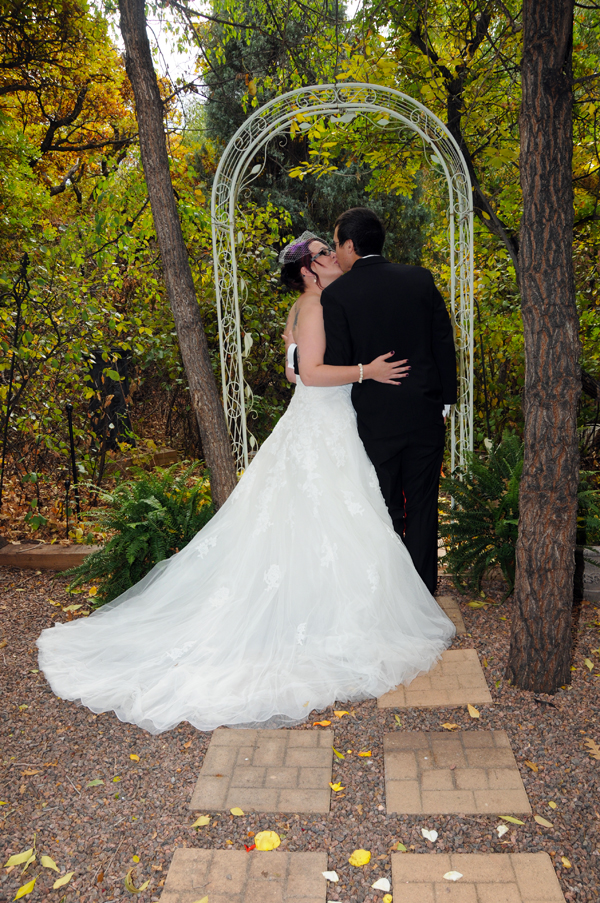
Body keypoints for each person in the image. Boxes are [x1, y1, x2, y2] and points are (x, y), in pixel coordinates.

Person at [36, 232, 455, 735]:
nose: (331, 257)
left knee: (319, 521)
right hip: (325, 424)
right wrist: (368, 370)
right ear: (308, 270)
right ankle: (336, 616)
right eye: (322, 254)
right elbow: (314, 372)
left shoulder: (305, 307)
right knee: (336, 517)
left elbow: (291, 371)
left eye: (329, 248)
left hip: (313, 422)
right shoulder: (317, 305)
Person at [321, 208, 457, 595]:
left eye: (336, 245)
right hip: (425, 413)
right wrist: (445, 401)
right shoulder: (419, 279)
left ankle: (390, 596)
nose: (336, 252)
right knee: (424, 505)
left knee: (384, 508)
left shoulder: (338, 296)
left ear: (350, 245)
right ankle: (423, 594)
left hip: (375, 420)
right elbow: (442, 343)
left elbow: (341, 363)